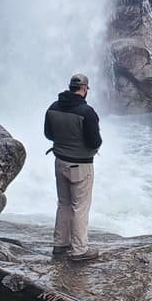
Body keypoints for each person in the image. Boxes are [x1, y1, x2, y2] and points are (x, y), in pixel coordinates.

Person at [44, 72, 102, 262]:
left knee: (64, 203)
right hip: (81, 166)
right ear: (84, 89)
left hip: (59, 162)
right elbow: (94, 142)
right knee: (80, 207)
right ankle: (79, 250)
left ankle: (60, 244)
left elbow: (48, 134)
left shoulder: (53, 107)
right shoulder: (87, 112)